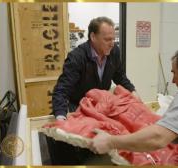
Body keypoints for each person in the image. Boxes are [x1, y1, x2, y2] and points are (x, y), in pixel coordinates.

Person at [49, 16, 139, 165]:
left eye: (113, 38)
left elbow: (120, 77)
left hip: (98, 105)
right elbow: (61, 90)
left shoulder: (114, 52)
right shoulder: (77, 57)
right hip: (77, 104)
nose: (112, 43)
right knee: (70, 145)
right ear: (93, 37)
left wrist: (134, 93)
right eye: (107, 39)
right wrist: (60, 119)